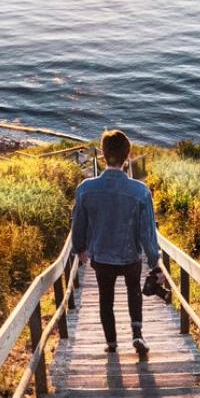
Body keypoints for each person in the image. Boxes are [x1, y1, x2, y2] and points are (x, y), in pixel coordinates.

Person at [71, 129, 160, 354]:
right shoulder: (140, 191)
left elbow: (78, 222)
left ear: (103, 154)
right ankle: (137, 334)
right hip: (130, 255)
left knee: (105, 298)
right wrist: (154, 261)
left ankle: (111, 343)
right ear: (127, 156)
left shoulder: (86, 188)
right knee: (134, 292)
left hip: (100, 255)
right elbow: (147, 232)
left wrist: (79, 248)